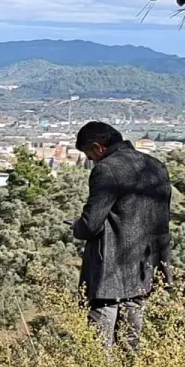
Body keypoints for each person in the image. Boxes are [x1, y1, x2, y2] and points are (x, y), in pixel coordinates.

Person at [71, 121, 172, 348]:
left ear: (98, 147)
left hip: (109, 273)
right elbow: (162, 220)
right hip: (144, 269)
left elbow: (91, 224)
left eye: (88, 154)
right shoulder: (156, 166)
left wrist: (76, 226)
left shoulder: (106, 169)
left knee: (98, 347)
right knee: (131, 344)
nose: (90, 160)